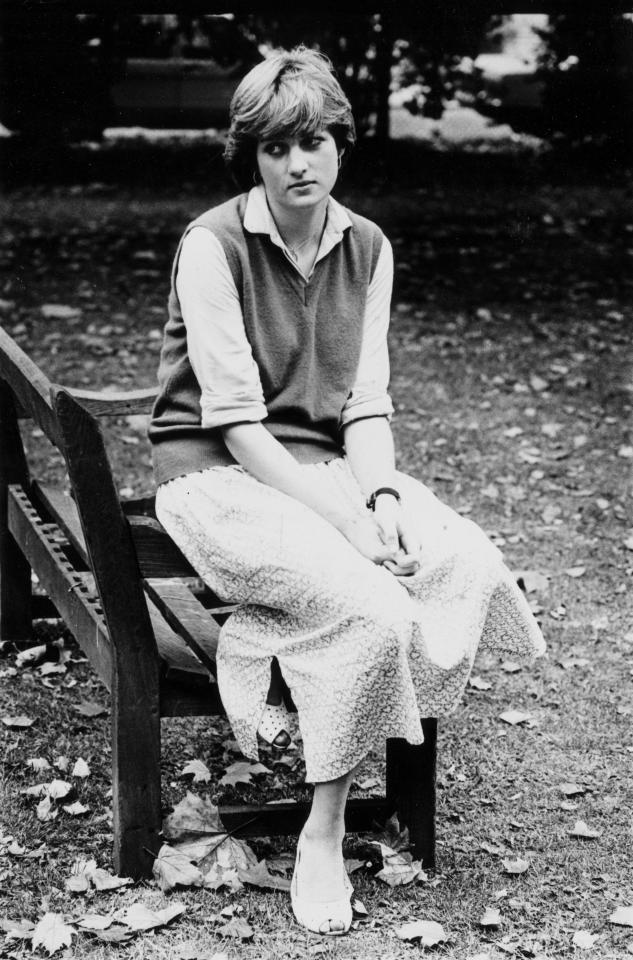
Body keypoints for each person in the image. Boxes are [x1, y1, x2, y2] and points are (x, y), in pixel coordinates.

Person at [148, 46, 545, 936]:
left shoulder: (367, 246)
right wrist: (348, 530)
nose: (300, 163)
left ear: (341, 144)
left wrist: (382, 503)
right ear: (250, 154)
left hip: (323, 470)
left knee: (458, 560)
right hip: (218, 479)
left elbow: (364, 405)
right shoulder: (211, 246)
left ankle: (286, 643)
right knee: (367, 602)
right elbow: (241, 426)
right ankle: (323, 829)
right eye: (279, 146)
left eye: (317, 140)